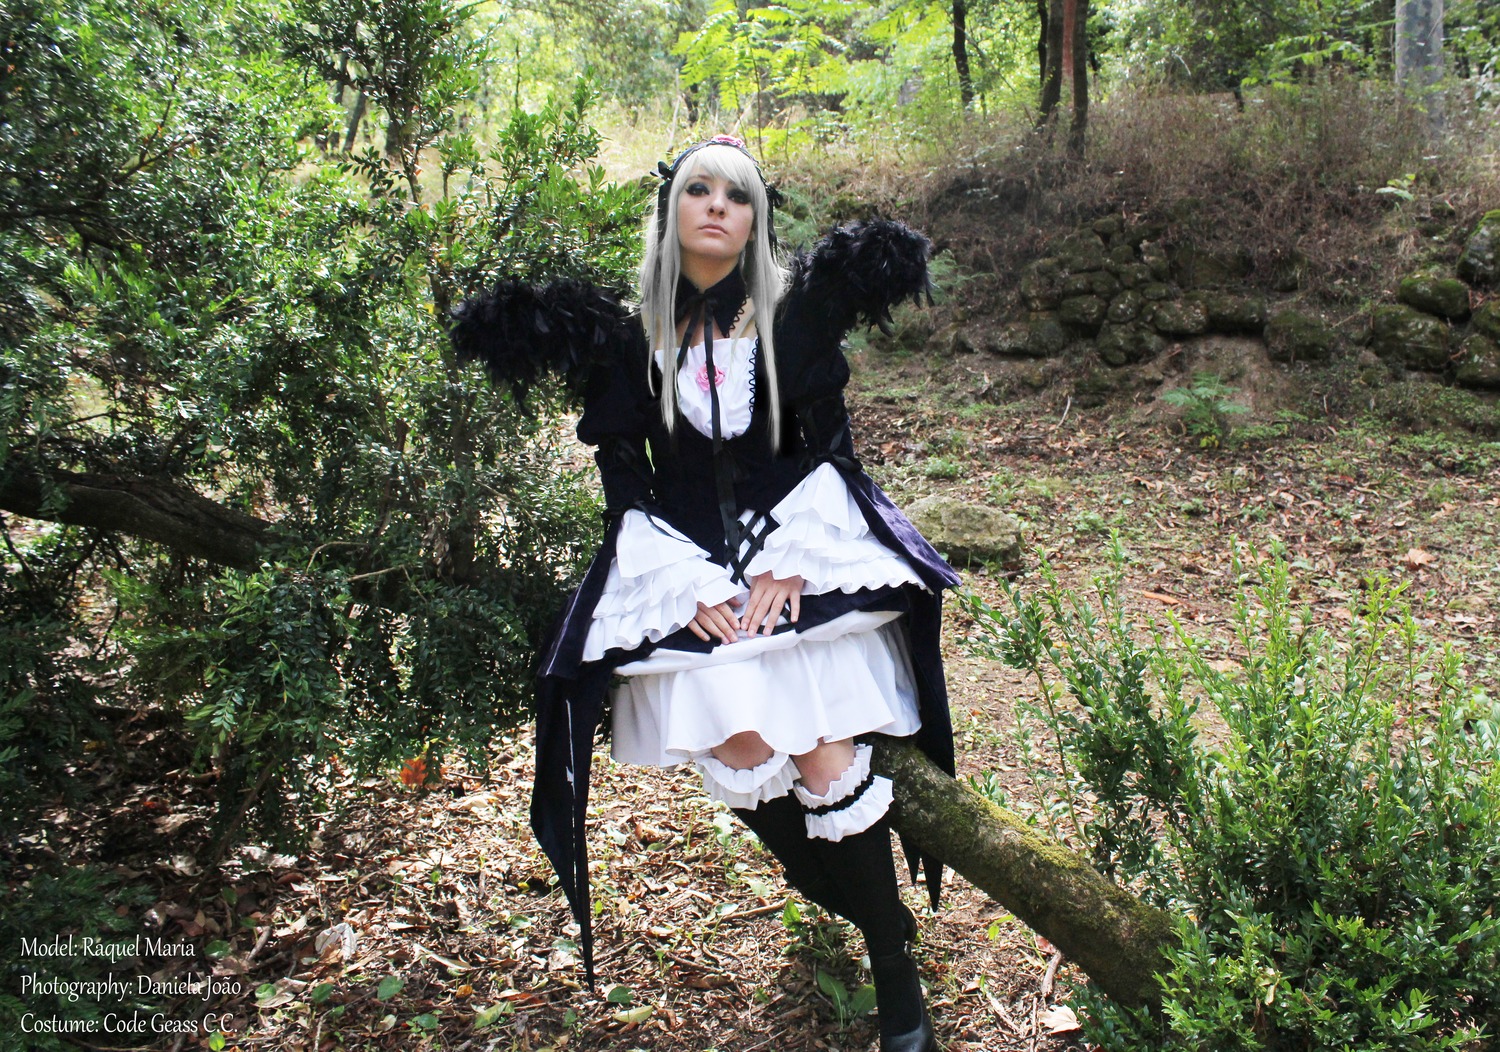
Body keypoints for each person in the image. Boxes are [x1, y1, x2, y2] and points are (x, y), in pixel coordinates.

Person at [451, 135, 959, 1052]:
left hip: (791, 570)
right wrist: (681, 584)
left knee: (818, 752)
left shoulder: (791, 319)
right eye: (699, 190)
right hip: (688, 582)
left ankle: (898, 986)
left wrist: (792, 560)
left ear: (755, 216)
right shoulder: (631, 339)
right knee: (739, 749)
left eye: (736, 193)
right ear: (672, 209)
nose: (717, 205)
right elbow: (626, 481)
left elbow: (830, 450)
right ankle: (875, 920)